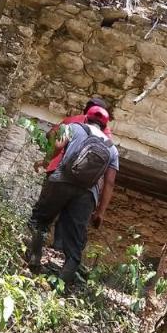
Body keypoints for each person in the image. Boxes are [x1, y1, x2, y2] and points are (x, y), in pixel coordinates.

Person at [26, 104, 118, 285]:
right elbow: (110, 183)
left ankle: (34, 262)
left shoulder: (74, 128)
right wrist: (100, 212)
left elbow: (57, 146)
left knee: (41, 220)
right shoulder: (112, 149)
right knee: (75, 243)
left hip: (60, 181)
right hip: (86, 194)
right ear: (105, 126)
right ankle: (60, 286)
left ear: (86, 117)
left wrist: (45, 161)